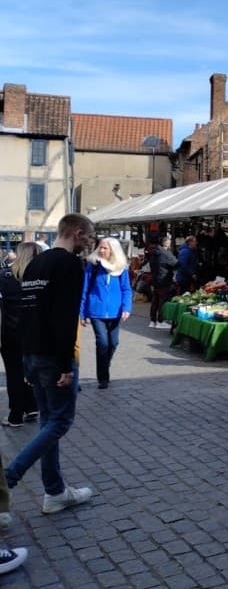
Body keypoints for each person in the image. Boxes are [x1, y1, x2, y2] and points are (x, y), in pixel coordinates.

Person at [5, 213, 96, 515]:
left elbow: (27, 313)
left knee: (48, 421)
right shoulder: (69, 264)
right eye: (89, 237)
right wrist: (65, 366)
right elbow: (65, 317)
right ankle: (7, 480)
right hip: (51, 355)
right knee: (59, 421)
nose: (90, 243)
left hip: (31, 352)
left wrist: (25, 358)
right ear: (79, 233)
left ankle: (54, 490)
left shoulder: (35, 264)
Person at [80, 237, 133, 389]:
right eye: (101, 248)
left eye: (105, 248)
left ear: (113, 250)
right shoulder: (93, 266)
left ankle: (105, 365)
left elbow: (126, 289)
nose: (102, 251)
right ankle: (103, 377)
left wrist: (126, 308)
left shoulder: (122, 268)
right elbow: (84, 289)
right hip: (96, 311)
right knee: (102, 343)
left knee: (113, 343)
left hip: (115, 312)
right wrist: (82, 313)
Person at [0, 242, 41, 427]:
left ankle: (16, 414)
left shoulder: (6, 276)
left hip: (11, 329)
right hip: (34, 330)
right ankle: (31, 405)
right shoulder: (41, 277)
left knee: (14, 372)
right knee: (28, 369)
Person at [148, 235, 178, 329]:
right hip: (164, 280)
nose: (170, 243)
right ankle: (161, 321)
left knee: (155, 301)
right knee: (163, 301)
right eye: (169, 241)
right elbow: (176, 264)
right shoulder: (165, 253)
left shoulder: (154, 252)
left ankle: (153, 321)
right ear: (166, 243)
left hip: (155, 279)